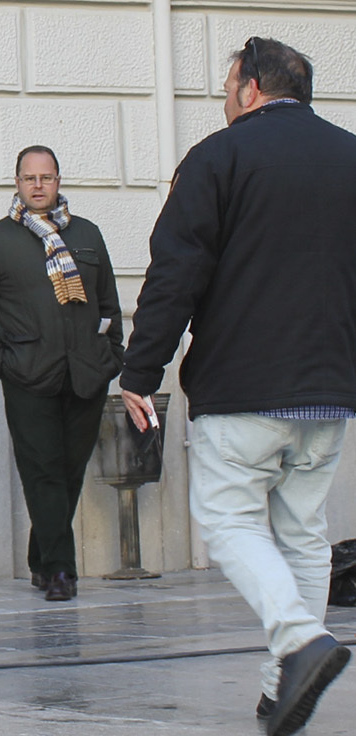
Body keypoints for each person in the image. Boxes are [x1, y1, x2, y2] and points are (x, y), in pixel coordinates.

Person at [120, 37, 353, 736]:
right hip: (330, 386)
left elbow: (176, 273)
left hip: (244, 382)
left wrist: (140, 369)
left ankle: (300, 641)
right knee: (304, 536)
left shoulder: (217, 157)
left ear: (251, 86)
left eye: (227, 86)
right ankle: (278, 691)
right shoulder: (350, 156)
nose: (224, 99)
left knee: (229, 524)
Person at [0, 145, 122, 603]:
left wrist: (111, 353)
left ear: (57, 181)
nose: (38, 186)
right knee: (43, 472)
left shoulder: (87, 235)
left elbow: (108, 304)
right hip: (28, 375)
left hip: (86, 373)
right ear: (16, 182)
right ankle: (59, 570)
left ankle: (40, 557)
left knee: (70, 473)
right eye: (29, 178)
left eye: (46, 178)